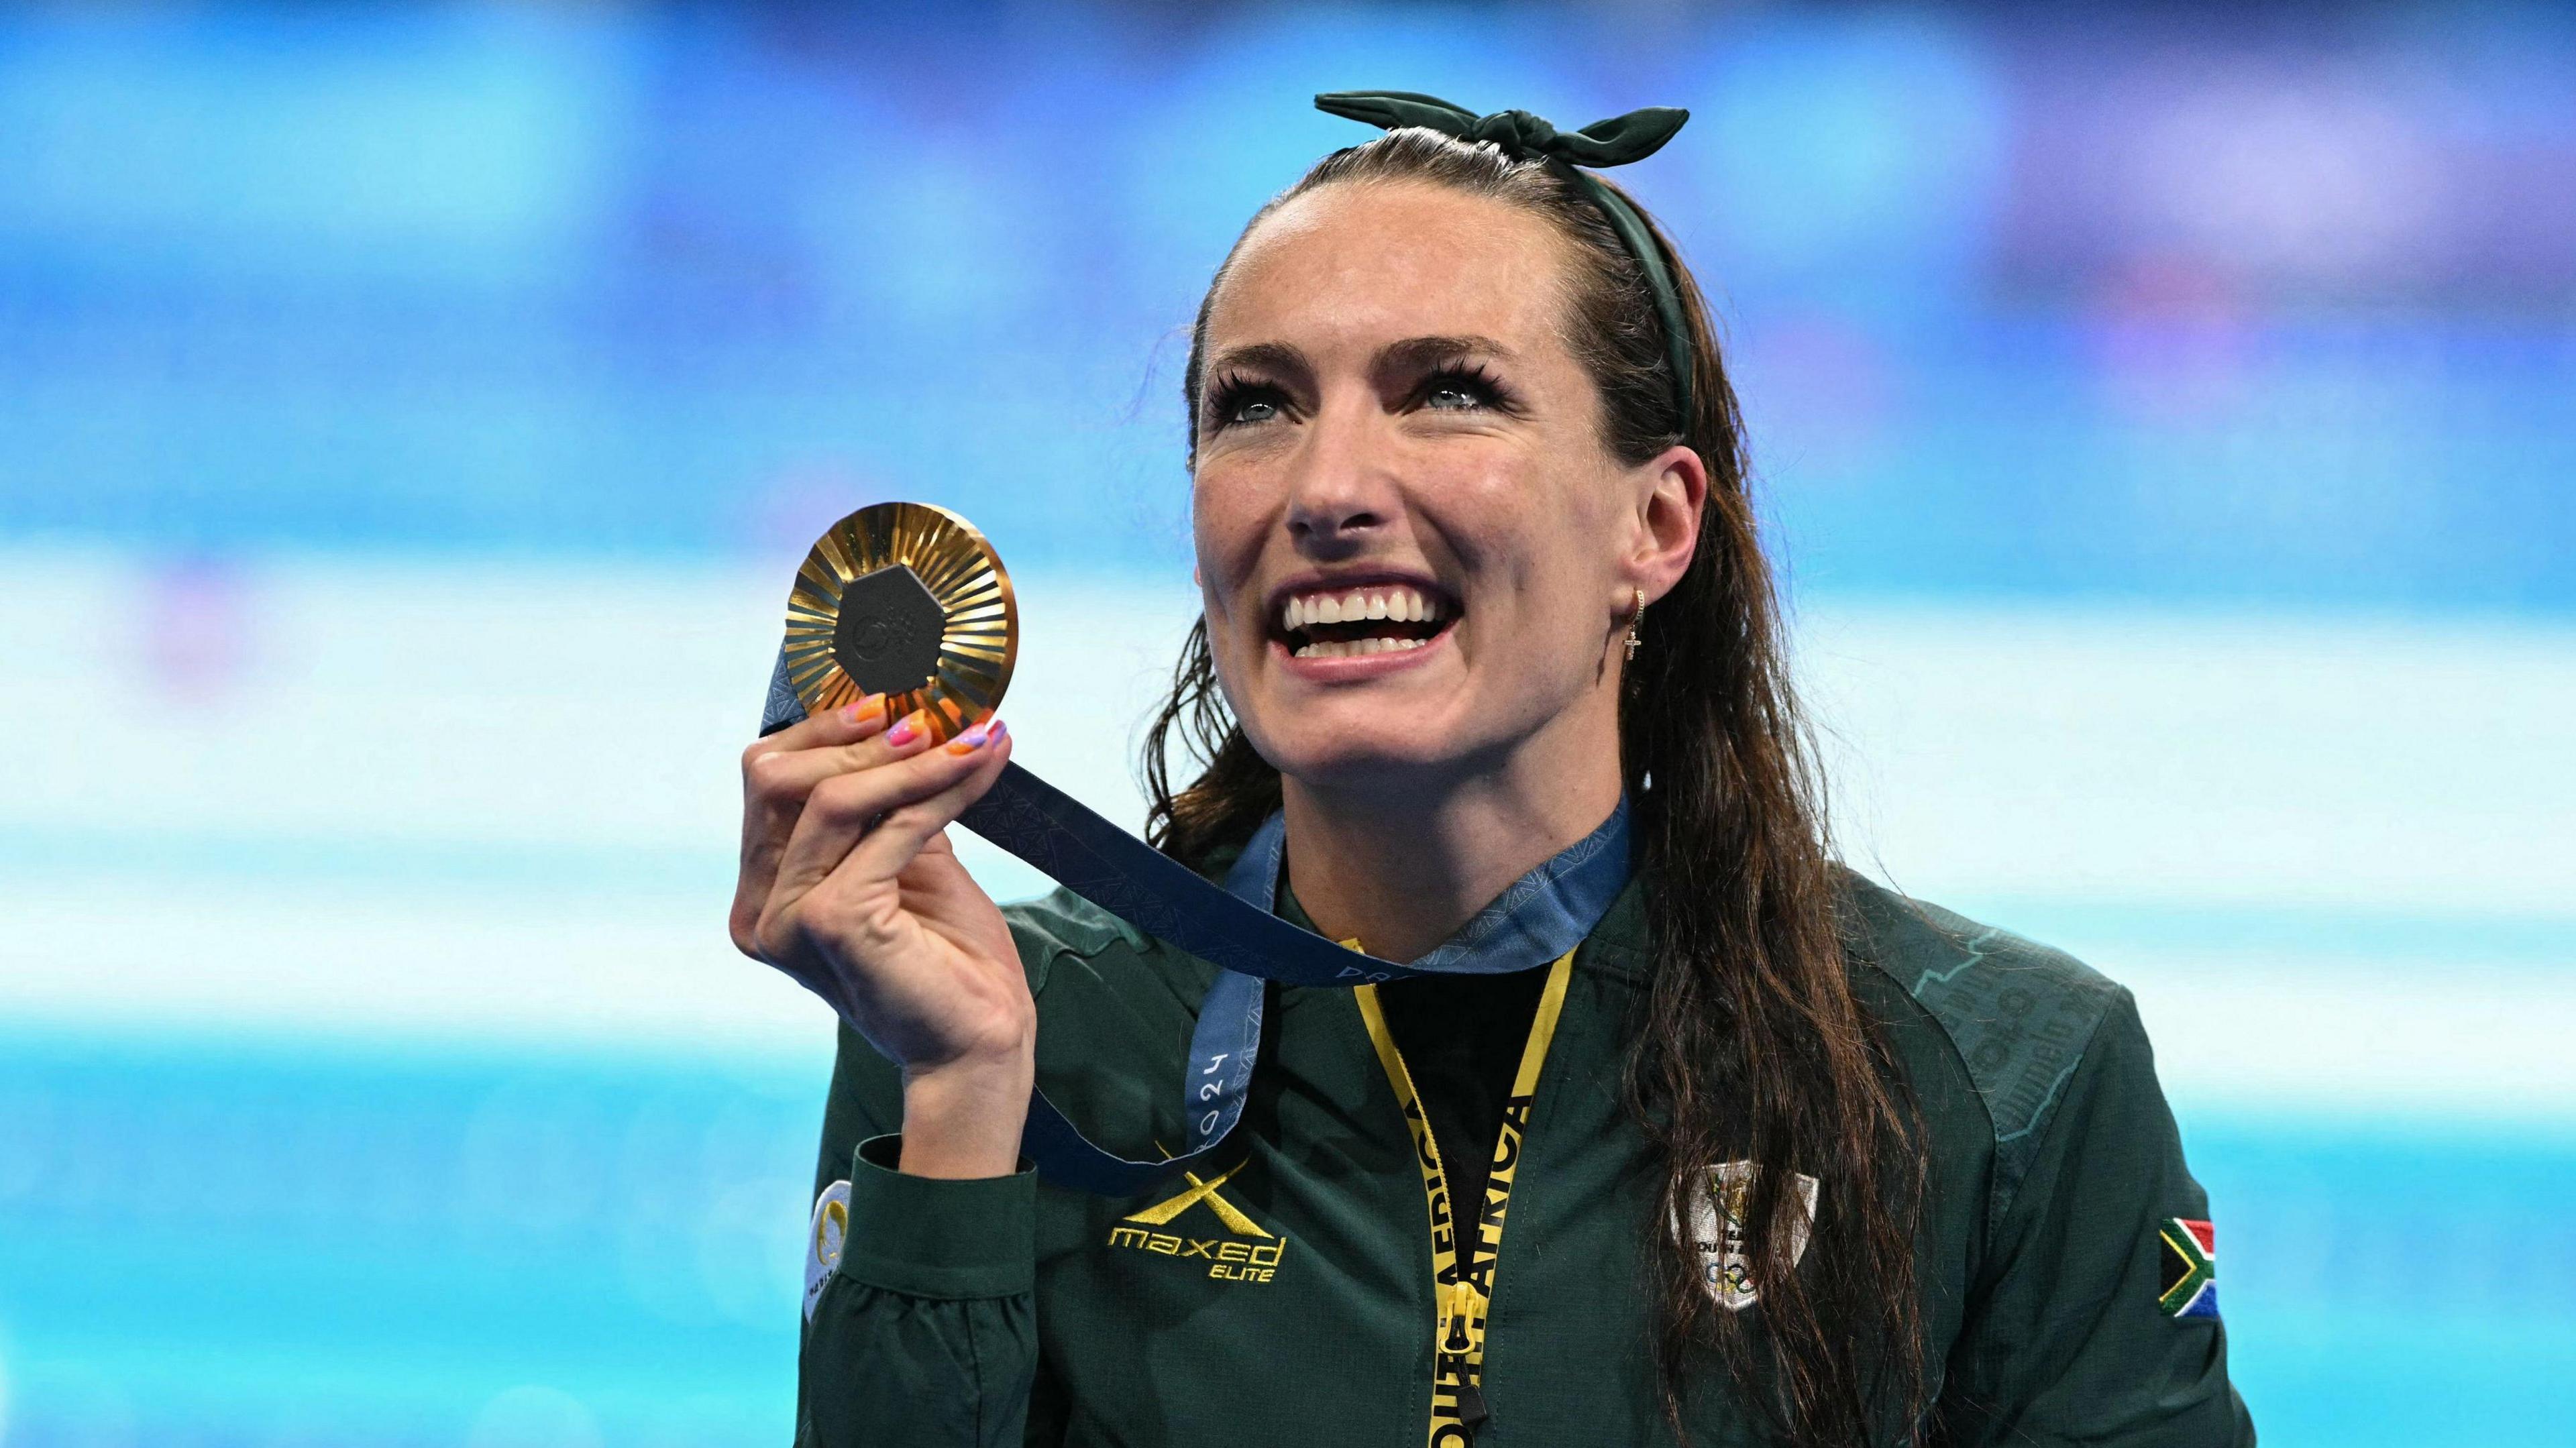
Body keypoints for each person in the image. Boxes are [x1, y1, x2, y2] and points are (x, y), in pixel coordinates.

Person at [731, 94, 2254, 1448]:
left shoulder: (2002, 1083)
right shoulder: (1008, 1030)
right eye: (1255, 407)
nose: (1328, 488)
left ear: (1652, 528)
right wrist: (961, 1096)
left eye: (1449, 389)